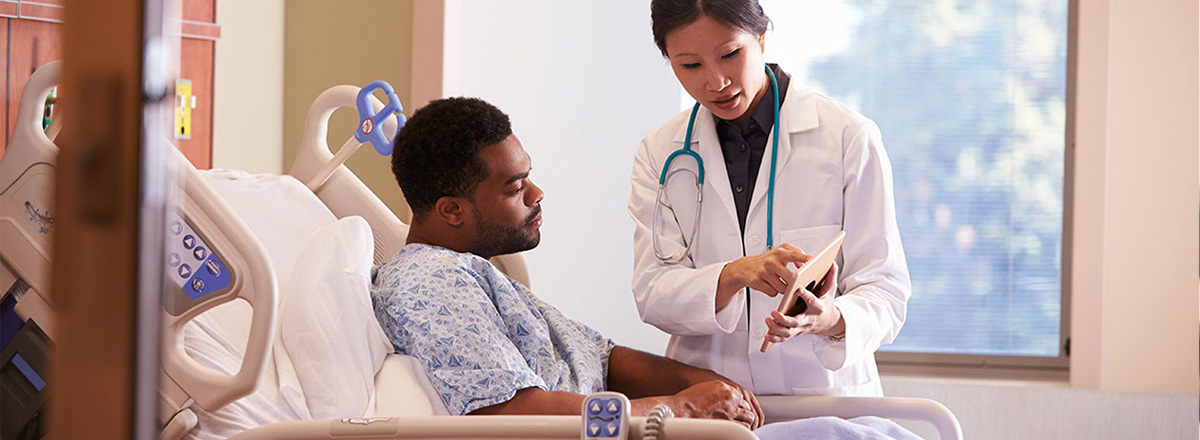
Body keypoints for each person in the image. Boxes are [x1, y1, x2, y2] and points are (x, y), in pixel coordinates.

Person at [372, 96, 764, 429]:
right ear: (452, 210)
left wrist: (708, 383)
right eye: (515, 187)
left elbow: (603, 359)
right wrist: (683, 408)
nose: (536, 193)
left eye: (529, 176)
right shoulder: (432, 283)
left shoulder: (477, 274)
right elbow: (513, 416)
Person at [628, 0, 911, 397]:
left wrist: (829, 318)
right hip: (711, 398)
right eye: (690, 65)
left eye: (729, 55)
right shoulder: (661, 152)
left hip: (821, 400)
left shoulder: (847, 137)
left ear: (761, 36)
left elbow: (885, 289)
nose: (716, 82)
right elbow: (652, 292)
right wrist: (733, 274)